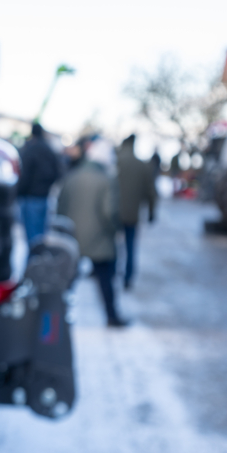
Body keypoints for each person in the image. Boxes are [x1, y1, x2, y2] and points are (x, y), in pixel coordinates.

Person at [57, 138, 127, 327]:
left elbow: (60, 206)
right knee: (105, 280)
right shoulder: (107, 180)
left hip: (73, 237)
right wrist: (115, 230)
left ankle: (59, 314)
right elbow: (109, 212)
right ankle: (111, 316)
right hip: (100, 239)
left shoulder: (72, 175)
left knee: (68, 279)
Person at [117, 135, 157, 290]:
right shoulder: (142, 165)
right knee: (130, 246)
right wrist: (152, 211)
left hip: (113, 213)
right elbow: (150, 191)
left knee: (112, 245)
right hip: (132, 214)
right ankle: (128, 278)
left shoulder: (116, 162)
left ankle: (111, 274)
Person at [17, 122, 61, 244]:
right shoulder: (49, 150)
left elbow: (24, 175)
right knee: (41, 235)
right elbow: (58, 172)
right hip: (44, 197)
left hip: (30, 197)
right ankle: (40, 255)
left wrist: (20, 192)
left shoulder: (31, 149)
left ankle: (34, 256)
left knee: (32, 237)